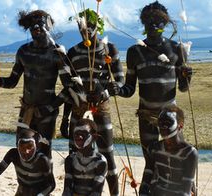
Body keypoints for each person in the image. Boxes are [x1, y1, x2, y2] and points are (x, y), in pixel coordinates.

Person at [106, 1, 193, 194]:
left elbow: (183, 88)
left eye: (158, 22)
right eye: (149, 21)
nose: (153, 25)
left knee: (178, 159)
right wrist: (118, 89)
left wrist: (188, 77)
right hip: (146, 116)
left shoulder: (176, 49)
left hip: (171, 116)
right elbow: (129, 89)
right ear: (143, 24)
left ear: (166, 24)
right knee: (151, 161)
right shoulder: (135, 52)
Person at [0, 10, 77, 156]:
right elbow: (11, 82)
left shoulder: (57, 53)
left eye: (40, 25)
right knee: (23, 151)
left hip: (46, 115)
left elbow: (69, 87)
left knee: (43, 155)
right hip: (26, 111)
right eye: (32, 26)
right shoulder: (23, 52)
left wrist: (49, 108)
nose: (36, 28)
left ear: (48, 26)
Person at [60, 8, 124, 196]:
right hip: (78, 110)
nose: (86, 31)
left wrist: (106, 92)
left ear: (99, 26)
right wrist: (65, 118)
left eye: (91, 27)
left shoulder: (109, 49)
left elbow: (119, 80)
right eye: (82, 27)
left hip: (101, 109)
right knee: (75, 157)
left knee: (108, 155)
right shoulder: (73, 52)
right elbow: (70, 88)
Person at [0, 128, 55, 196]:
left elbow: (51, 185)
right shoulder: (13, 154)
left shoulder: (42, 160)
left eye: (30, 146)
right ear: (17, 145)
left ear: (37, 146)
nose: (26, 151)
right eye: (22, 147)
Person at [148, 105, 197, 196]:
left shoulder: (189, 153)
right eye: (161, 123)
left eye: (168, 123)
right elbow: (147, 178)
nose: (163, 127)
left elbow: (185, 191)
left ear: (180, 126)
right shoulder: (154, 149)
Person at [62, 119, 107, 196]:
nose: (79, 137)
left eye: (84, 133)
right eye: (76, 134)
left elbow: (96, 192)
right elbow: (67, 189)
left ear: (94, 137)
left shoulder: (100, 161)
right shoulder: (70, 160)